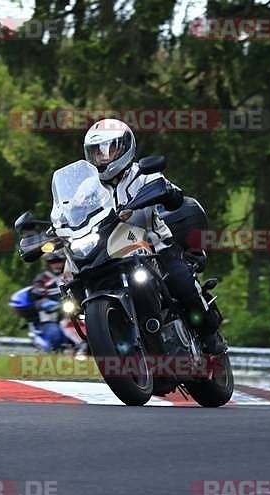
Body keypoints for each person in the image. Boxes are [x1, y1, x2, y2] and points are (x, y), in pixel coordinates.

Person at [82, 118, 227, 355]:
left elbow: (172, 194)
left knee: (180, 281)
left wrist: (167, 193)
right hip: (108, 253)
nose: (105, 157)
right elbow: (71, 211)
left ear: (126, 147)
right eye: (98, 152)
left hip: (154, 248)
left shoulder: (143, 175)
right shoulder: (88, 188)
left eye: (111, 149)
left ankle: (209, 333)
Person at [32, 251, 87, 355]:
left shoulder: (72, 274)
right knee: (55, 336)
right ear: (48, 263)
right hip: (51, 318)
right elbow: (37, 296)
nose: (56, 264)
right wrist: (49, 305)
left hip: (75, 312)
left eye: (59, 261)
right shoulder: (42, 278)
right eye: (53, 261)